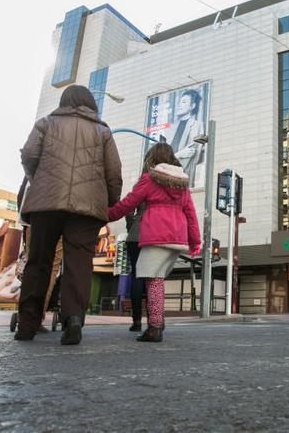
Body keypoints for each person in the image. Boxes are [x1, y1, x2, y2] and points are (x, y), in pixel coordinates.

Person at [17, 85, 122, 345]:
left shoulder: (46, 123)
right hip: (86, 207)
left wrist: (38, 179)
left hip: (46, 202)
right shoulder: (103, 131)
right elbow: (114, 172)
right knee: (78, 263)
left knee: (38, 261)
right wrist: (109, 201)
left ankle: (27, 323)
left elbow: (29, 155)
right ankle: (73, 319)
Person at [107, 142, 200, 343]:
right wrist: (195, 241)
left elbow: (129, 203)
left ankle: (155, 327)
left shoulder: (150, 179)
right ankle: (159, 322)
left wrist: (107, 215)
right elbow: (190, 213)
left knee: (152, 279)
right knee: (156, 278)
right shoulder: (182, 182)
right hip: (177, 237)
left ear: (153, 158)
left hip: (156, 234)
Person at [168, 89, 204, 184]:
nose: (179, 105)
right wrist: (179, 155)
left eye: (184, 102)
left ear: (192, 106)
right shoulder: (170, 127)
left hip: (182, 177)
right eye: (179, 102)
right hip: (166, 176)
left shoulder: (197, 126)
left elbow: (192, 154)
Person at [125, 203, 146, 332]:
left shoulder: (142, 186)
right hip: (157, 235)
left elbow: (128, 208)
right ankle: (155, 322)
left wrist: (131, 225)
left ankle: (137, 321)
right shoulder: (169, 187)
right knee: (154, 278)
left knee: (137, 276)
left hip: (136, 234)